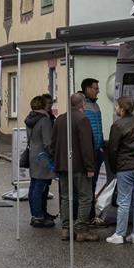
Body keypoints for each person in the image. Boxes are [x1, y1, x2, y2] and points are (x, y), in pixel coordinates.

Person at [50, 92, 98, 242]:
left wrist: (57, 161)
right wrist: (90, 167)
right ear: (83, 104)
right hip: (79, 166)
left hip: (63, 165)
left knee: (66, 197)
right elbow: (86, 146)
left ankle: (66, 229)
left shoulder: (60, 119)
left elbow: (53, 144)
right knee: (86, 197)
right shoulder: (83, 119)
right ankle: (81, 229)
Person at [105, 95, 134, 245]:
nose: (115, 108)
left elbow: (113, 149)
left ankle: (120, 234)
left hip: (125, 165)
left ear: (122, 109)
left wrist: (113, 167)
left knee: (124, 201)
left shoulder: (117, 125)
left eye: (116, 106)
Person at [25, 96, 55, 228]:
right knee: (40, 187)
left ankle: (35, 214)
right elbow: (48, 142)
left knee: (34, 185)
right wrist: (54, 155)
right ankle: (39, 216)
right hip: (43, 156)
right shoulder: (44, 120)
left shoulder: (30, 118)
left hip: (33, 154)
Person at [81, 78, 106, 222]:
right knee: (87, 185)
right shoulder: (83, 106)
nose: (98, 91)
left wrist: (101, 144)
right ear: (88, 89)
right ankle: (87, 215)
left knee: (94, 183)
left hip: (97, 150)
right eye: (95, 88)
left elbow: (99, 127)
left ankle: (90, 214)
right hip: (88, 151)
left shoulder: (96, 106)